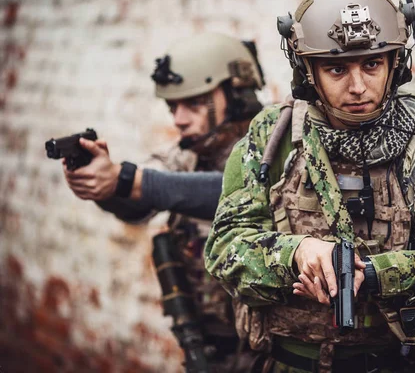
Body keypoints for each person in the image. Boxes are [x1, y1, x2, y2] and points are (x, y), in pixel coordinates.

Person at [206, 0, 415, 373]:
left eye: (372, 64)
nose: (358, 86)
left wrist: (377, 276)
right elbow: (224, 248)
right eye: (337, 68)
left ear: (396, 63)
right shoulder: (273, 137)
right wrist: (297, 254)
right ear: (307, 70)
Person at [62, 32, 266, 372]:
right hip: (211, 348)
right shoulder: (185, 155)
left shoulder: (275, 145)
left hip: (268, 354)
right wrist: (108, 187)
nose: (179, 119)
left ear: (238, 93)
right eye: (173, 107)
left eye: (194, 103)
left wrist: (129, 179)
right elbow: (142, 203)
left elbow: (235, 193)